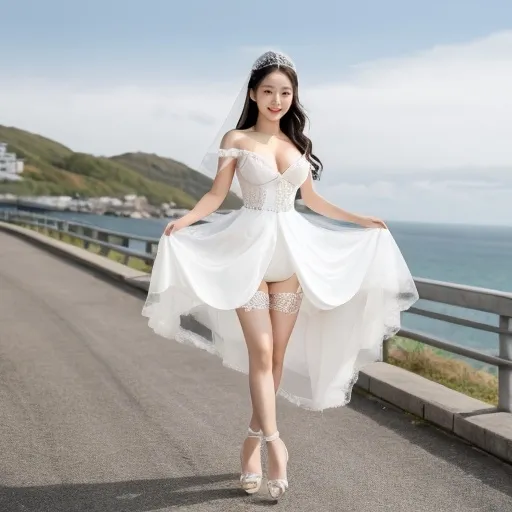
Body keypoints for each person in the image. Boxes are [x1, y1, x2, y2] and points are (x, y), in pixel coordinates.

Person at [142, 50, 419, 500]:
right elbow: (216, 195)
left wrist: (361, 219)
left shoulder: (297, 146)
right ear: (253, 93)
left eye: (285, 92)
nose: (276, 99)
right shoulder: (237, 137)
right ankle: (276, 446)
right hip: (246, 252)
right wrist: (184, 221)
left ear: (293, 97)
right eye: (268, 91)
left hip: (291, 255)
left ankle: (249, 446)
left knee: (276, 359)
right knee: (262, 350)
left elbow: (314, 202)